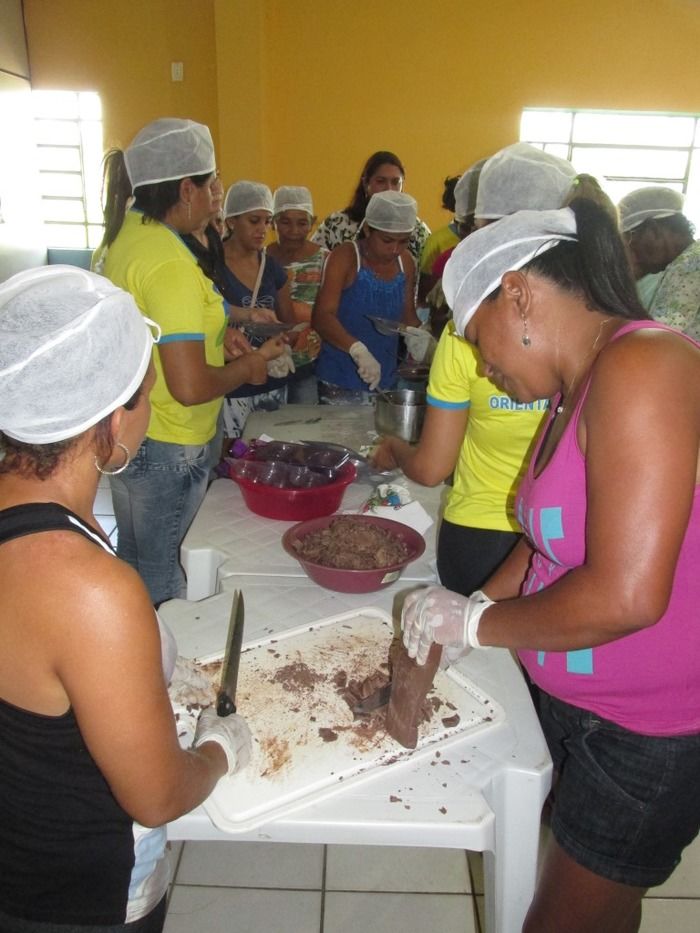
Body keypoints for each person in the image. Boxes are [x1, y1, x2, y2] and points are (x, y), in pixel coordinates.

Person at [401, 202, 700, 933]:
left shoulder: (646, 365)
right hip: (583, 712)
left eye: (478, 339)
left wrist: (480, 624)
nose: (482, 364)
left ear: (518, 294)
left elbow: (628, 596)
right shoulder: (575, 390)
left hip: (645, 734)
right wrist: (471, 607)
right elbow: (545, 545)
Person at [0, 266, 252, 932]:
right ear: (115, 418)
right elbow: (157, 795)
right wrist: (218, 749)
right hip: (74, 897)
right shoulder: (90, 588)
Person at [100, 119, 284, 606]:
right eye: (212, 185)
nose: (216, 197)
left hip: (133, 433)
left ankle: (135, 642)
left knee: (136, 562)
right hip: (172, 444)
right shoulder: (169, 262)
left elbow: (155, 330)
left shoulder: (127, 237)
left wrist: (218, 336)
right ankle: (161, 653)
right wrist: (250, 367)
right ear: (186, 189)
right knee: (167, 577)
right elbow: (188, 386)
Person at [313, 190, 420, 403]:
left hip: (386, 379)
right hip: (339, 379)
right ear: (368, 229)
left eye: (403, 241)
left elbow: (407, 317)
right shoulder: (345, 258)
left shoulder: (406, 262)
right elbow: (322, 317)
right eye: (387, 240)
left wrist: (421, 337)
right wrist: (357, 350)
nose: (395, 249)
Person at [219, 180, 297, 441]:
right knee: (234, 454)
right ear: (231, 221)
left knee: (269, 452)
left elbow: (288, 321)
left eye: (267, 221)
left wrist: (283, 344)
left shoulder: (271, 268)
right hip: (231, 382)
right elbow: (201, 318)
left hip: (270, 381)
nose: (262, 229)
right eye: (254, 221)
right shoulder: (211, 266)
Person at [267, 185, 328, 403]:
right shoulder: (262, 258)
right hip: (270, 359)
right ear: (272, 222)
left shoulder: (326, 261)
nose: (293, 231)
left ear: (313, 222)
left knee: (304, 418)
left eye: (302, 223)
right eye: (285, 222)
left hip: (311, 364)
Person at [312, 150, 430, 262]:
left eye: (395, 182)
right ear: (365, 183)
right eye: (381, 181)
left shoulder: (416, 229)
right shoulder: (336, 224)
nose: (389, 189)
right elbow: (313, 263)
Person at [618, 186, 699, 340]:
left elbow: (658, 337)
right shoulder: (689, 257)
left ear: (653, 230)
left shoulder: (689, 265)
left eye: (632, 243)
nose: (634, 256)